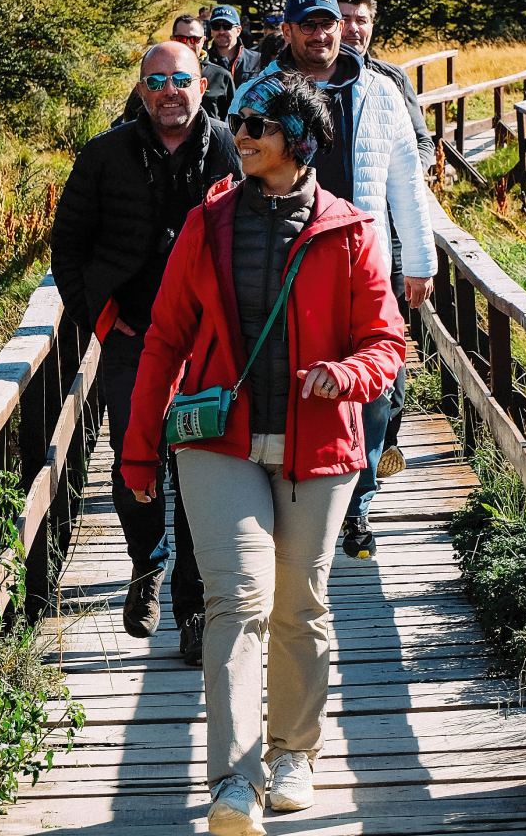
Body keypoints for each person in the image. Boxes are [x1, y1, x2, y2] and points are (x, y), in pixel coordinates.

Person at [122, 70, 407, 835]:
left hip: (321, 443)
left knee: (300, 604)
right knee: (237, 602)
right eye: (239, 119)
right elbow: (165, 340)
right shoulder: (207, 222)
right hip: (220, 439)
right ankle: (236, 781)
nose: (240, 132)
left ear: (300, 141)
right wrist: (138, 453)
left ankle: (295, 755)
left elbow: (387, 342)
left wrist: (348, 374)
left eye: (259, 123)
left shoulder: (350, 230)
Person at [50, 39, 241, 665]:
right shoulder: (105, 154)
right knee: (136, 459)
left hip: (205, 345)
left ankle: (190, 608)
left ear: (203, 86)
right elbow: (69, 245)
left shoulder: (228, 150)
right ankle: (145, 564)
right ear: (140, 90)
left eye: (180, 79)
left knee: (197, 468)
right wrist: (99, 319)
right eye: (156, 80)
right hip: (133, 338)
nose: (169, 91)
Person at [233, 0, 436, 567]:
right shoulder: (259, 93)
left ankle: (358, 498)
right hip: (279, 261)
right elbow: (233, 174)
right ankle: (290, 499)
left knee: (375, 388)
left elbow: (407, 183)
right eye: (309, 25)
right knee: (291, 380)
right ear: (289, 32)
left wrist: (419, 264)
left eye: (330, 24)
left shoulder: (380, 91)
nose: (322, 34)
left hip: (362, 259)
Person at [334, 0, 437, 551]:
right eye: (343, 18)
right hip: (322, 256)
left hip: (385, 253)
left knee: (385, 381)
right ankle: (344, 496)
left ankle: (363, 494)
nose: (352, 28)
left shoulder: (390, 83)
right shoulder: (308, 81)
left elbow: (418, 151)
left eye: (361, 19)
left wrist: (417, 251)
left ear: (373, 25)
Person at [118, 15, 236, 123]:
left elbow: (233, 120)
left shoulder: (221, 76)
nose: (189, 44)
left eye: (194, 39)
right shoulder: (153, 75)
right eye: (182, 39)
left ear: (203, 40)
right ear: (172, 39)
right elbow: (129, 120)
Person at [207, 5, 264, 87]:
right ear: (211, 30)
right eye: (216, 26)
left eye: (227, 26)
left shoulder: (257, 60)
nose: (221, 31)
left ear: (238, 31)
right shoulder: (203, 62)